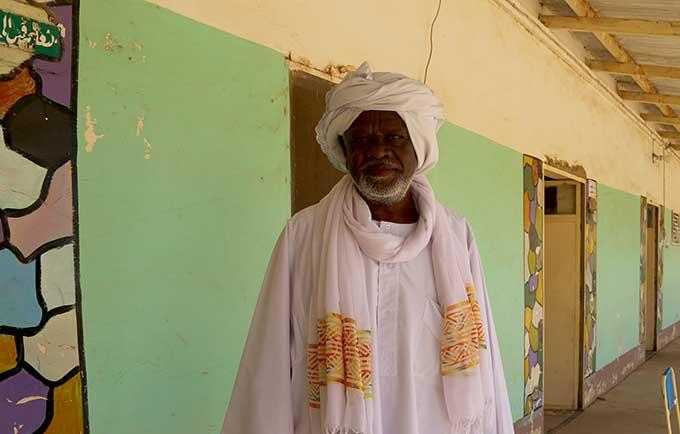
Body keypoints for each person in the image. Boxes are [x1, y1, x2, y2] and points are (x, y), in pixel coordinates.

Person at [222, 62, 514, 434]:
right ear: (344, 151)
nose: (378, 152)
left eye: (394, 138)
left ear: (418, 146)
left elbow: (483, 359)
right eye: (361, 140)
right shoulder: (304, 235)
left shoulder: (457, 237)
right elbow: (270, 362)